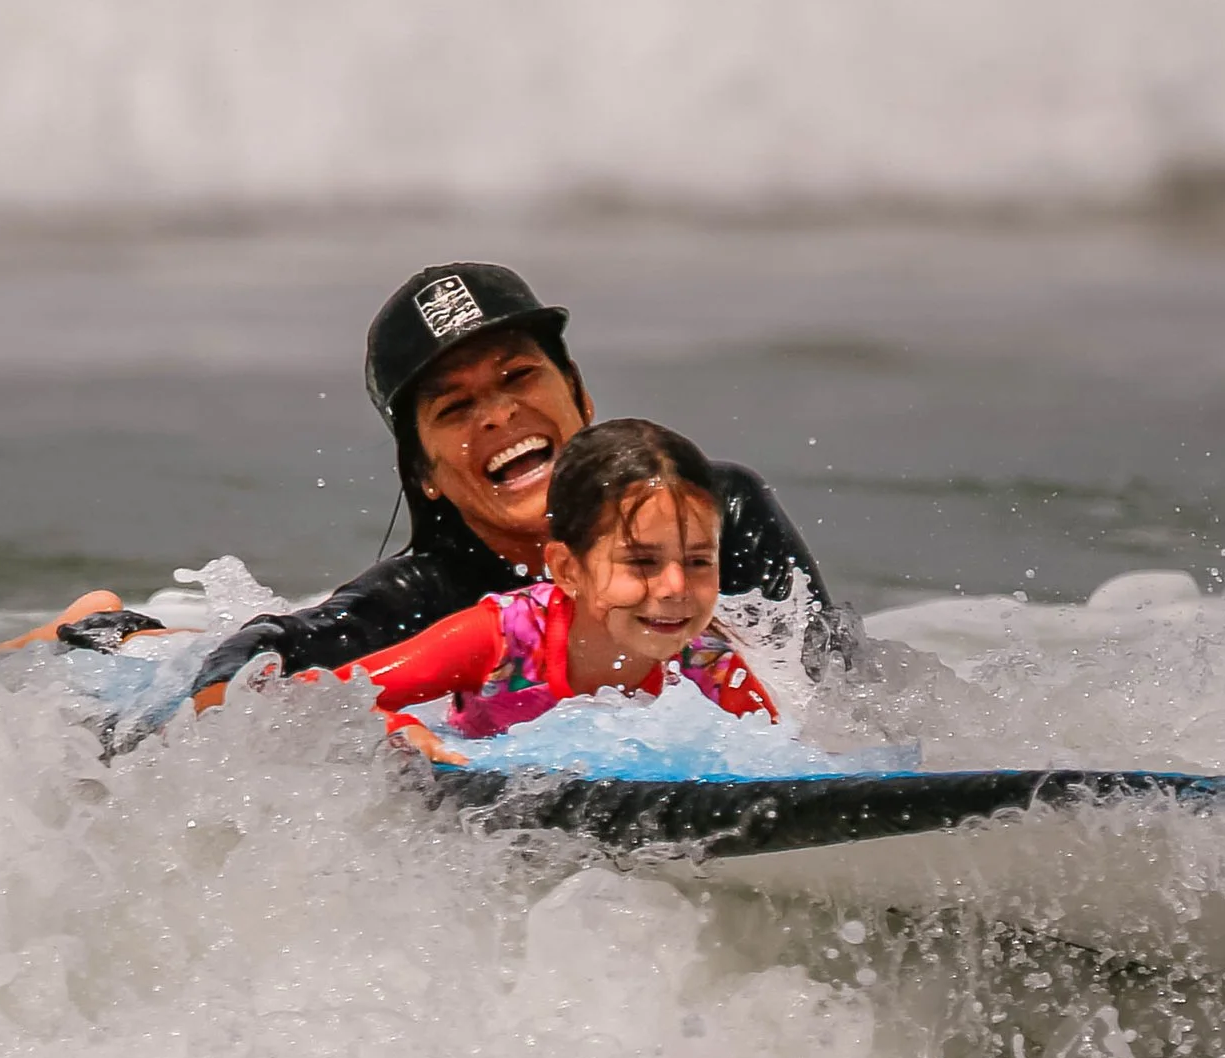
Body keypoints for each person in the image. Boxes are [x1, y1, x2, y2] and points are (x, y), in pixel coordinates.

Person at [174, 262, 852, 698]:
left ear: (580, 396)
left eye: (518, 376)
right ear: (425, 473)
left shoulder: (714, 511)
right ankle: (116, 627)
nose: (499, 413)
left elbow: (831, 684)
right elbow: (264, 655)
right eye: (456, 406)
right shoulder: (426, 600)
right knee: (168, 645)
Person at [225, 419, 777, 764]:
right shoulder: (501, 638)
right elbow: (320, 701)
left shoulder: (708, 663)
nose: (677, 588)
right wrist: (399, 729)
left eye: (700, 561)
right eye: (642, 562)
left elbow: (776, 759)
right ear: (567, 569)